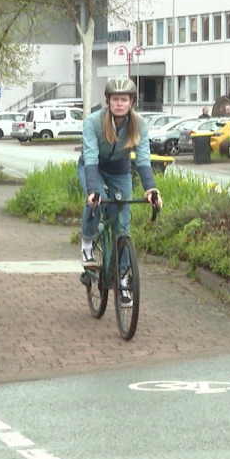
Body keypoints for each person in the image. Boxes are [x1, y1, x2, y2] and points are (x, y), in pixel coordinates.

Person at [78, 78, 163, 304]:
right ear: (108, 101)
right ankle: (87, 243)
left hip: (120, 171)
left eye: (124, 99)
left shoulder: (139, 124)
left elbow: (143, 158)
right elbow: (90, 156)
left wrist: (150, 189)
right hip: (92, 167)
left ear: (131, 102)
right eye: (115, 99)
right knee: (96, 201)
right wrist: (94, 189)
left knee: (122, 225)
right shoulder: (93, 122)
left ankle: (123, 279)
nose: (119, 104)